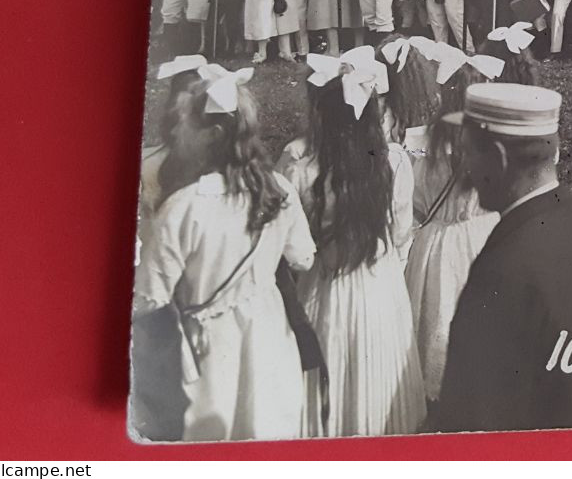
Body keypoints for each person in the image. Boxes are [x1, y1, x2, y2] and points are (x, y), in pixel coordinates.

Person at [432, 84, 572, 432]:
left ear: (499, 157)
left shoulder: (501, 270)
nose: (466, 169)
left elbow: (471, 416)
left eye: (469, 153)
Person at [132, 66, 316, 442]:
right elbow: (304, 258)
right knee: (265, 430)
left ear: (213, 135)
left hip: (207, 349)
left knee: (213, 439)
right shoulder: (279, 190)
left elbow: (149, 298)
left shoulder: (184, 207)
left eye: (187, 124)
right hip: (269, 336)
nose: (178, 131)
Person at [277, 48, 425, 436]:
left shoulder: (298, 163)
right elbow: (401, 235)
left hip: (324, 289)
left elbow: (291, 245)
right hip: (381, 290)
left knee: (329, 384)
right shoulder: (392, 161)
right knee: (377, 384)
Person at [404, 50, 504, 410]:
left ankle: (437, 387)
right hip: (482, 234)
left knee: (436, 314)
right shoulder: (494, 145)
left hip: (437, 243)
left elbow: (416, 201)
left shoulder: (425, 147)